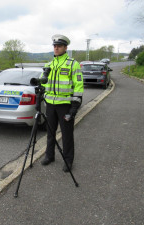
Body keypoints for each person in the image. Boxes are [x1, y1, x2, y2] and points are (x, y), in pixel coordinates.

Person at [41, 34, 84, 172]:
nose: (56, 48)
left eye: (59, 46)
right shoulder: (49, 64)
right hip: (50, 104)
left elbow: (78, 86)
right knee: (50, 132)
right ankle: (50, 155)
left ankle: (68, 160)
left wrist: (75, 106)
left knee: (67, 134)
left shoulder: (73, 64)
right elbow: (43, 83)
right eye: (54, 46)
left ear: (65, 47)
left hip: (65, 104)